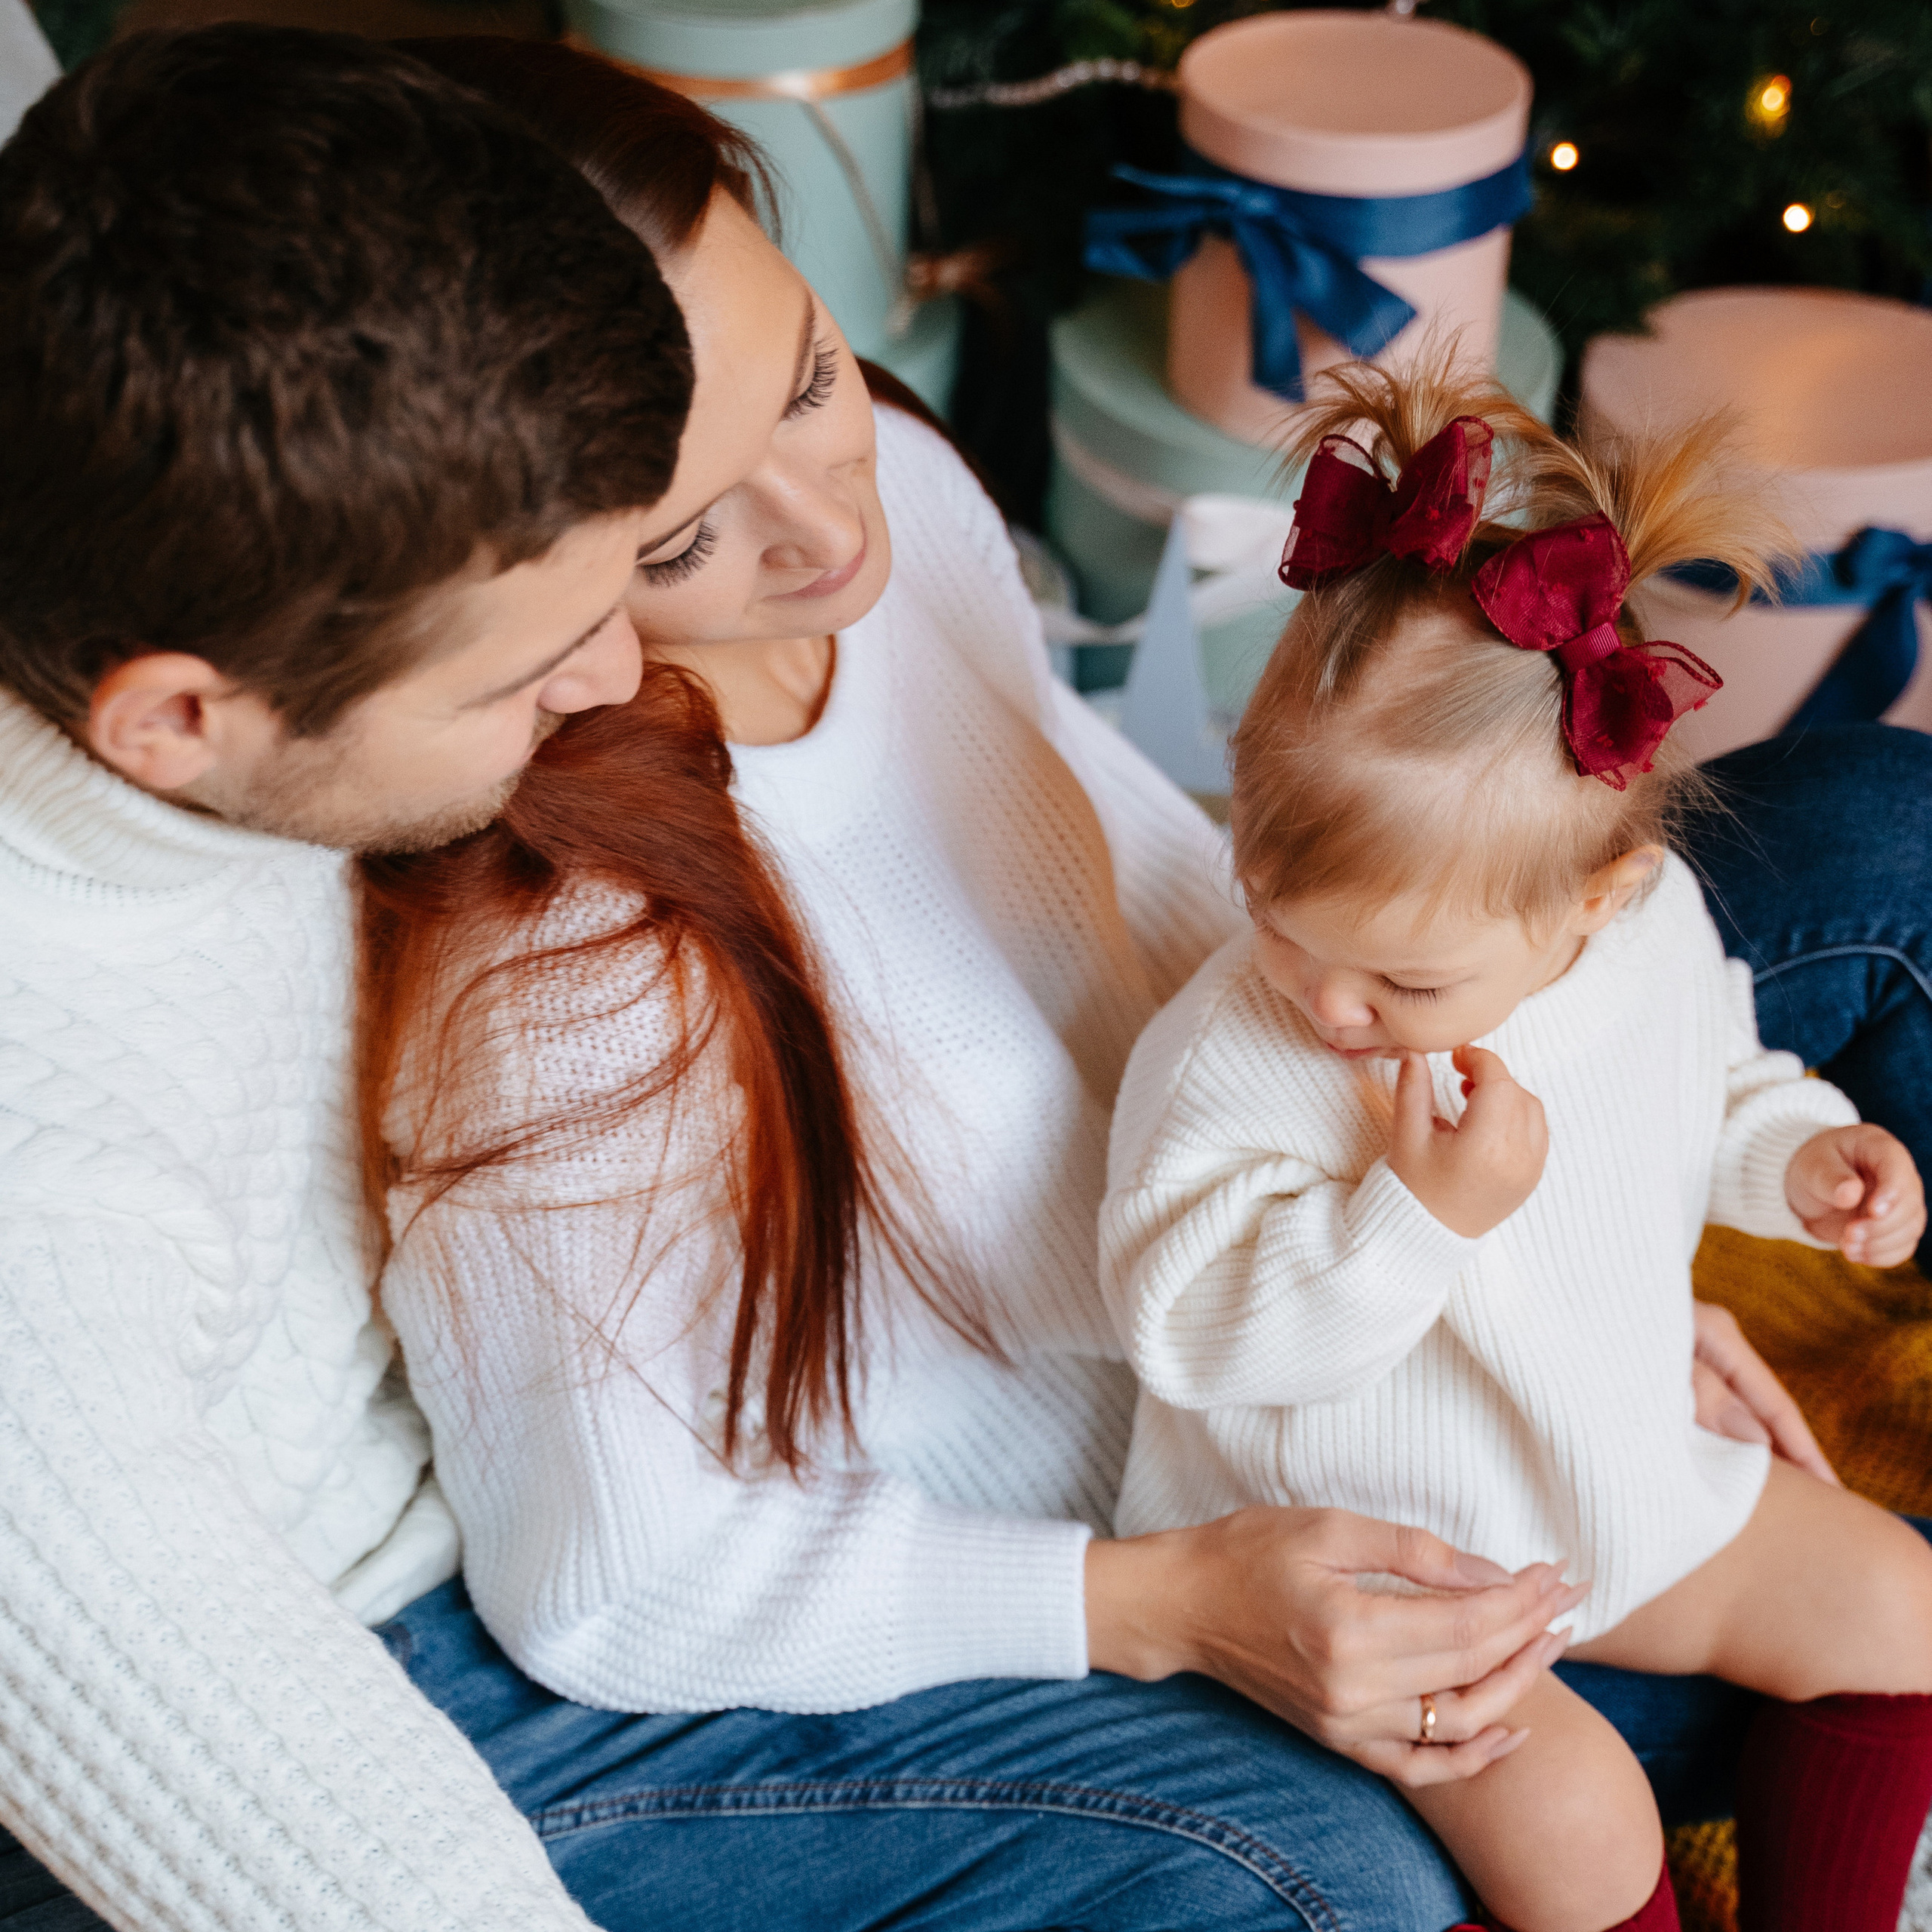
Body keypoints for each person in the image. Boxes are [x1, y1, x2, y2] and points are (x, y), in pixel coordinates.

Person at [357, 40, 1860, 1931]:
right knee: (1369, 1876)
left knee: (1877, 830)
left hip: (1344, 1191)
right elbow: (605, 1574)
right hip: (1172, 1466)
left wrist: (1593, 1253)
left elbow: (1155, 869)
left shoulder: (888, 492)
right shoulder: (557, 960)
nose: (830, 530)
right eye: (680, 533)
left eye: (806, 376)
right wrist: (1157, 1604)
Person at [0, 26, 703, 1929]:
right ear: (179, 721)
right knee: (1299, 1867)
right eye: (516, 669)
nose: (616, 679)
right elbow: (348, 1862)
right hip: (306, 1682)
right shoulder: (35, 1246)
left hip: (456, 1504)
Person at [1100, 361, 1932, 1932]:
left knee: (1896, 1598)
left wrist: (1802, 1159)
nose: (1326, 1002)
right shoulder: (1238, 1050)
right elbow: (1189, 1330)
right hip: (1381, 1565)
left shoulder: (1645, 936)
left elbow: (1715, 1085)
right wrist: (1409, 1214)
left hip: (1598, 1468)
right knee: (1574, 1813)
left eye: (1400, 980)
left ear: (1591, 899)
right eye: (1277, 923)